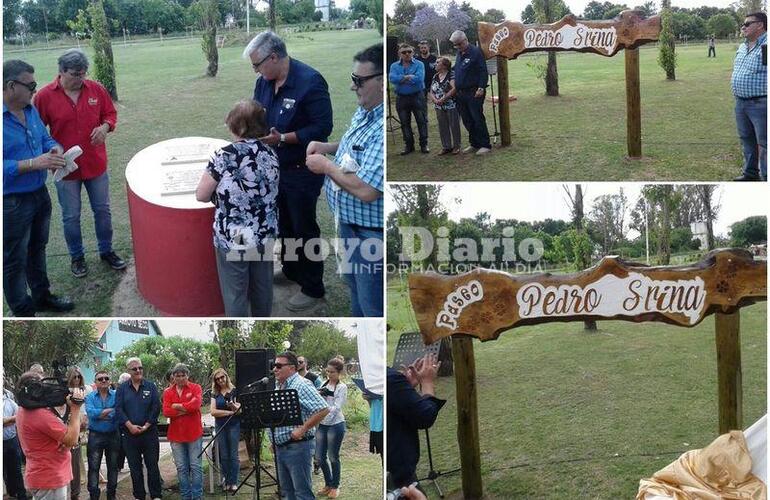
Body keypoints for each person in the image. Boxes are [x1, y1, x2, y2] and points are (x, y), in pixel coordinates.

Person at [245, 31, 334, 312]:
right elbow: (257, 114)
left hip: (302, 170)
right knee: (283, 224)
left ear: (274, 57)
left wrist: (283, 138)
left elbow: (322, 128)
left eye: (257, 64)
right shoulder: (263, 82)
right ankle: (293, 270)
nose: (256, 71)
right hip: (274, 170)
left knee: (303, 227)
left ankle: (313, 287)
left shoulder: (310, 81)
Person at [306, 44, 384, 317]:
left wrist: (326, 166)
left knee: (372, 305)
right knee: (356, 292)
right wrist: (329, 148)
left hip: (369, 235)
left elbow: (367, 190)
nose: (353, 87)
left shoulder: (382, 125)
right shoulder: (366, 110)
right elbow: (354, 148)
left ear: (382, 81)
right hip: (350, 227)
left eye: (358, 81)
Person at [33, 49, 123, 278]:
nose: (80, 79)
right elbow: (36, 132)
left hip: (95, 163)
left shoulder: (96, 89)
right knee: (71, 216)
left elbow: (110, 114)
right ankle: (77, 257)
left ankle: (107, 251)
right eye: (75, 74)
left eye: (83, 74)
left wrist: (104, 128)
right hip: (65, 168)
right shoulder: (44, 96)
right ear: (61, 72)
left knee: (102, 211)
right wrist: (50, 150)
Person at [3, 59, 74, 317]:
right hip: (11, 202)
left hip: (39, 193)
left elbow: (46, 138)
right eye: (30, 85)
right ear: (11, 86)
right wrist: (34, 163)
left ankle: (42, 296)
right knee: (14, 259)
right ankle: (22, 311)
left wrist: (55, 149)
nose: (35, 89)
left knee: (38, 247)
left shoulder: (30, 110)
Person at [195, 99, 279, 316]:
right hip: (264, 233)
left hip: (234, 238)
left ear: (237, 126)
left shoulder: (224, 156)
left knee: (235, 293)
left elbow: (201, 195)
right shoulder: (270, 153)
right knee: (263, 288)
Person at [269, 352, 330, 500]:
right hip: (281, 447)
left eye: (278, 366)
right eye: (273, 366)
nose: (274, 369)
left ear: (291, 368)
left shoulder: (301, 385)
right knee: (287, 493)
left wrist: (303, 429)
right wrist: (273, 440)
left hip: (298, 446)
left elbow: (323, 409)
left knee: (302, 494)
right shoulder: (279, 387)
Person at [16, 370, 84, 500]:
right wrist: (75, 408)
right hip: (49, 477)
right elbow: (72, 440)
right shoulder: (39, 414)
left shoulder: (24, 409)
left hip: (44, 474)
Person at [386, 354, 446, 489]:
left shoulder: (385, 378)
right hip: (399, 474)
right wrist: (427, 383)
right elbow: (425, 417)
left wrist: (405, 389)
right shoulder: (390, 378)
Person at [114, 357, 162, 500]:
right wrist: (130, 426)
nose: (138, 371)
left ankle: (156, 495)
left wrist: (146, 425)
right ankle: (139, 496)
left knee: (152, 466)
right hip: (129, 435)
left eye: (140, 368)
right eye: (134, 369)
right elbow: (118, 409)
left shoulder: (150, 386)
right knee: (135, 469)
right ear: (128, 371)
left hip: (149, 434)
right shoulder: (122, 389)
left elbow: (156, 407)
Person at [731, 12, 767, 181]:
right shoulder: (743, 46)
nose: (743, 27)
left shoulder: (766, 46)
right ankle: (751, 174)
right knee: (747, 139)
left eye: (747, 24)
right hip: (741, 103)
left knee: (765, 143)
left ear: (760, 25)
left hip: (761, 103)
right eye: (742, 25)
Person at [162, 364, 203, 500]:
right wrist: (186, 408)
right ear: (173, 376)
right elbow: (166, 411)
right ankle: (186, 496)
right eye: (177, 375)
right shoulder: (168, 392)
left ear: (187, 375)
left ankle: (197, 496)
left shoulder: (196, 388)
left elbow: (196, 405)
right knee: (181, 468)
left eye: (183, 375)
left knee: (195, 466)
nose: (180, 378)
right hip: (176, 435)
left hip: (193, 434)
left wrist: (177, 406)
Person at [449, 30, 492, 156]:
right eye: (455, 45)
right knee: (467, 120)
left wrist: (481, 87)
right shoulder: (459, 53)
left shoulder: (475, 52)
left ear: (465, 40)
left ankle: (485, 145)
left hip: (474, 92)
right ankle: (474, 143)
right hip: (460, 93)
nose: (457, 47)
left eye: (459, 44)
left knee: (477, 118)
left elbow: (483, 71)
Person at [315, 358, 348, 498]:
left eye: (332, 372)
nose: (329, 374)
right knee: (319, 457)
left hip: (336, 424)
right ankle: (328, 483)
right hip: (322, 424)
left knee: (333, 456)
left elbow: (336, 407)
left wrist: (323, 414)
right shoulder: (324, 383)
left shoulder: (342, 387)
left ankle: (335, 485)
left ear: (339, 372)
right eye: (327, 371)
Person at [84, 371, 119, 500]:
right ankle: (94, 496)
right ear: (96, 382)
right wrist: (109, 411)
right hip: (95, 435)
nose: (103, 380)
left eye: (106, 378)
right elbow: (91, 413)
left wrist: (101, 415)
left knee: (113, 467)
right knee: (93, 467)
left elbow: (118, 412)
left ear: (110, 381)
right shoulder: (90, 397)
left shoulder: (117, 396)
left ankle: (111, 495)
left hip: (113, 435)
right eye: (100, 379)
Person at [389, 43, 428, 155]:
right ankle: (409, 145)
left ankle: (424, 144)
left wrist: (401, 79)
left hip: (417, 96)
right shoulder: (394, 66)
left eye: (409, 52)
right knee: (405, 123)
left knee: (421, 121)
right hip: (402, 97)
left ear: (413, 52)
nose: (407, 54)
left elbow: (420, 79)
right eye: (404, 52)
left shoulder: (419, 64)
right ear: (399, 54)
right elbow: (392, 78)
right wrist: (408, 77)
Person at [59, 367, 89, 500]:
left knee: (76, 463)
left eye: (79, 377)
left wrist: (83, 420)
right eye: (74, 377)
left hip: (78, 428)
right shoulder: (63, 393)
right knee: (65, 462)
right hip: (64, 429)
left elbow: (85, 410)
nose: (77, 379)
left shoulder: (85, 390)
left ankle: (75, 494)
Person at [210, 368, 241, 493]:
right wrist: (230, 412)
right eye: (217, 379)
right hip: (220, 426)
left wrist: (234, 407)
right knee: (224, 455)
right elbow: (213, 412)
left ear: (226, 377)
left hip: (234, 425)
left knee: (233, 454)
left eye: (222, 377)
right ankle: (226, 480)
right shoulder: (215, 393)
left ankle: (233, 482)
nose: (220, 380)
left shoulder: (235, 391)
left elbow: (239, 411)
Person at [429, 57, 462, 155]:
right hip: (439, 106)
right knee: (442, 126)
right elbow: (431, 90)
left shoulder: (451, 75)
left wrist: (443, 99)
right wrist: (435, 100)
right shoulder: (435, 76)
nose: (435, 64)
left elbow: (454, 89)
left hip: (451, 105)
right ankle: (446, 146)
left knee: (454, 125)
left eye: (438, 62)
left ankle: (456, 146)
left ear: (444, 65)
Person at [4, 382, 28, 500]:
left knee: (16, 468)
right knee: (4, 471)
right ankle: (10, 493)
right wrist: (10, 420)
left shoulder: (8, 395)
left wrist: (5, 421)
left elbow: (19, 415)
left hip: (12, 439)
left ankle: (21, 494)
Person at [414, 40, 437, 115]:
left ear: (428, 48)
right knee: (422, 104)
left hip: (434, 84)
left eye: (424, 47)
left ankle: (441, 116)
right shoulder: (417, 60)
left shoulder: (434, 58)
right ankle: (425, 119)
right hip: (422, 84)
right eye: (421, 48)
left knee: (437, 101)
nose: (423, 49)